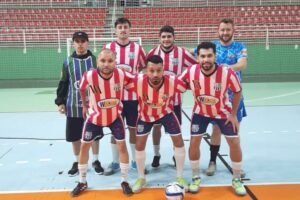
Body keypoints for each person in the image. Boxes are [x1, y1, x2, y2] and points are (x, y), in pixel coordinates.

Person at [179, 42, 246, 196]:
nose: (206, 59)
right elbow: (177, 83)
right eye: (202, 56)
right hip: (200, 113)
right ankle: (195, 177)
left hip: (222, 113)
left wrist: (233, 113)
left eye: (209, 56)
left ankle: (236, 179)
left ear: (215, 56)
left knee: (234, 142)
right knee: (194, 142)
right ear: (198, 58)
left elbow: (238, 91)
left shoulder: (226, 72)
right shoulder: (191, 71)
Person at [70, 49, 134, 197]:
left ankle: (124, 181)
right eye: (103, 61)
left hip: (114, 117)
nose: (106, 64)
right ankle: (82, 181)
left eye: (110, 61)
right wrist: (85, 105)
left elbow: (138, 80)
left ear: (115, 62)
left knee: (122, 146)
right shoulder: (90, 75)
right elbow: (81, 89)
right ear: (97, 62)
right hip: (95, 118)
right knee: (84, 146)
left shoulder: (122, 74)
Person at [126, 55, 188, 193]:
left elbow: (188, 86)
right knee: (140, 144)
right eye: (151, 70)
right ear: (145, 70)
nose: (155, 74)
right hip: (145, 115)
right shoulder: (137, 81)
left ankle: (180, 176)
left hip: (166, 113)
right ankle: (141, 178)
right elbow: (121, 81)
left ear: (163, 69)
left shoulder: (173, 81)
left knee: (178, 141)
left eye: (159, 70)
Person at [147, 25, 197, 168]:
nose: (166, 39)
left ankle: (176, 155)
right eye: (163, 37)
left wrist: (187, 84)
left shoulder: (182, 53)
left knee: (176, 130)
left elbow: (195, 68)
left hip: (174, 101)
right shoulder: (152, 53)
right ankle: (157, 155)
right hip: (155, 100)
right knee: (156, 128)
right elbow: (146, 72)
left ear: (174, 38)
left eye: (169, 36)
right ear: (159, 38)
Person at [54, 31, 103, 177]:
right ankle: (77, 161)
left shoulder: (96, 61)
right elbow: (63, 83)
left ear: (87, 43)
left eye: (83, 41)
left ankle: (95, 160)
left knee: (94, 135)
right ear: (73, 43)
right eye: (77, 41)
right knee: (75, 136)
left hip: (93, 107)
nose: (80, 44)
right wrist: (60, 102)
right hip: (73, 106)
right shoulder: (67, 62)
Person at [204, 18, 247, 177]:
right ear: (218, 31)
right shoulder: (212, 47)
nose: (225, 33)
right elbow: (194, 52)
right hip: (216, 99)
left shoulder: (240, 47)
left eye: (228, 30)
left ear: (233, 30)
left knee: (234, 132)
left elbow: (242, 64)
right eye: (222, 30)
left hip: (234, 97)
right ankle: (212, 161)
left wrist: (227, 68)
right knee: (215, 130)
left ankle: (236, 164)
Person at [103, 17, 146, 175]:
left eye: (125, 27)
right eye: (120, 27)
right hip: (114, 98)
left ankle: (135, 160)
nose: (122, 30)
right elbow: (102, 67)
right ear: (115, 30)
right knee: (116, 130)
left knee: (134, 129)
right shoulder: (108, 47)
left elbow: (143, 67)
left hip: (133, 98)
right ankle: (115, 162)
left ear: (130, 29)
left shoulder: (137, 48)